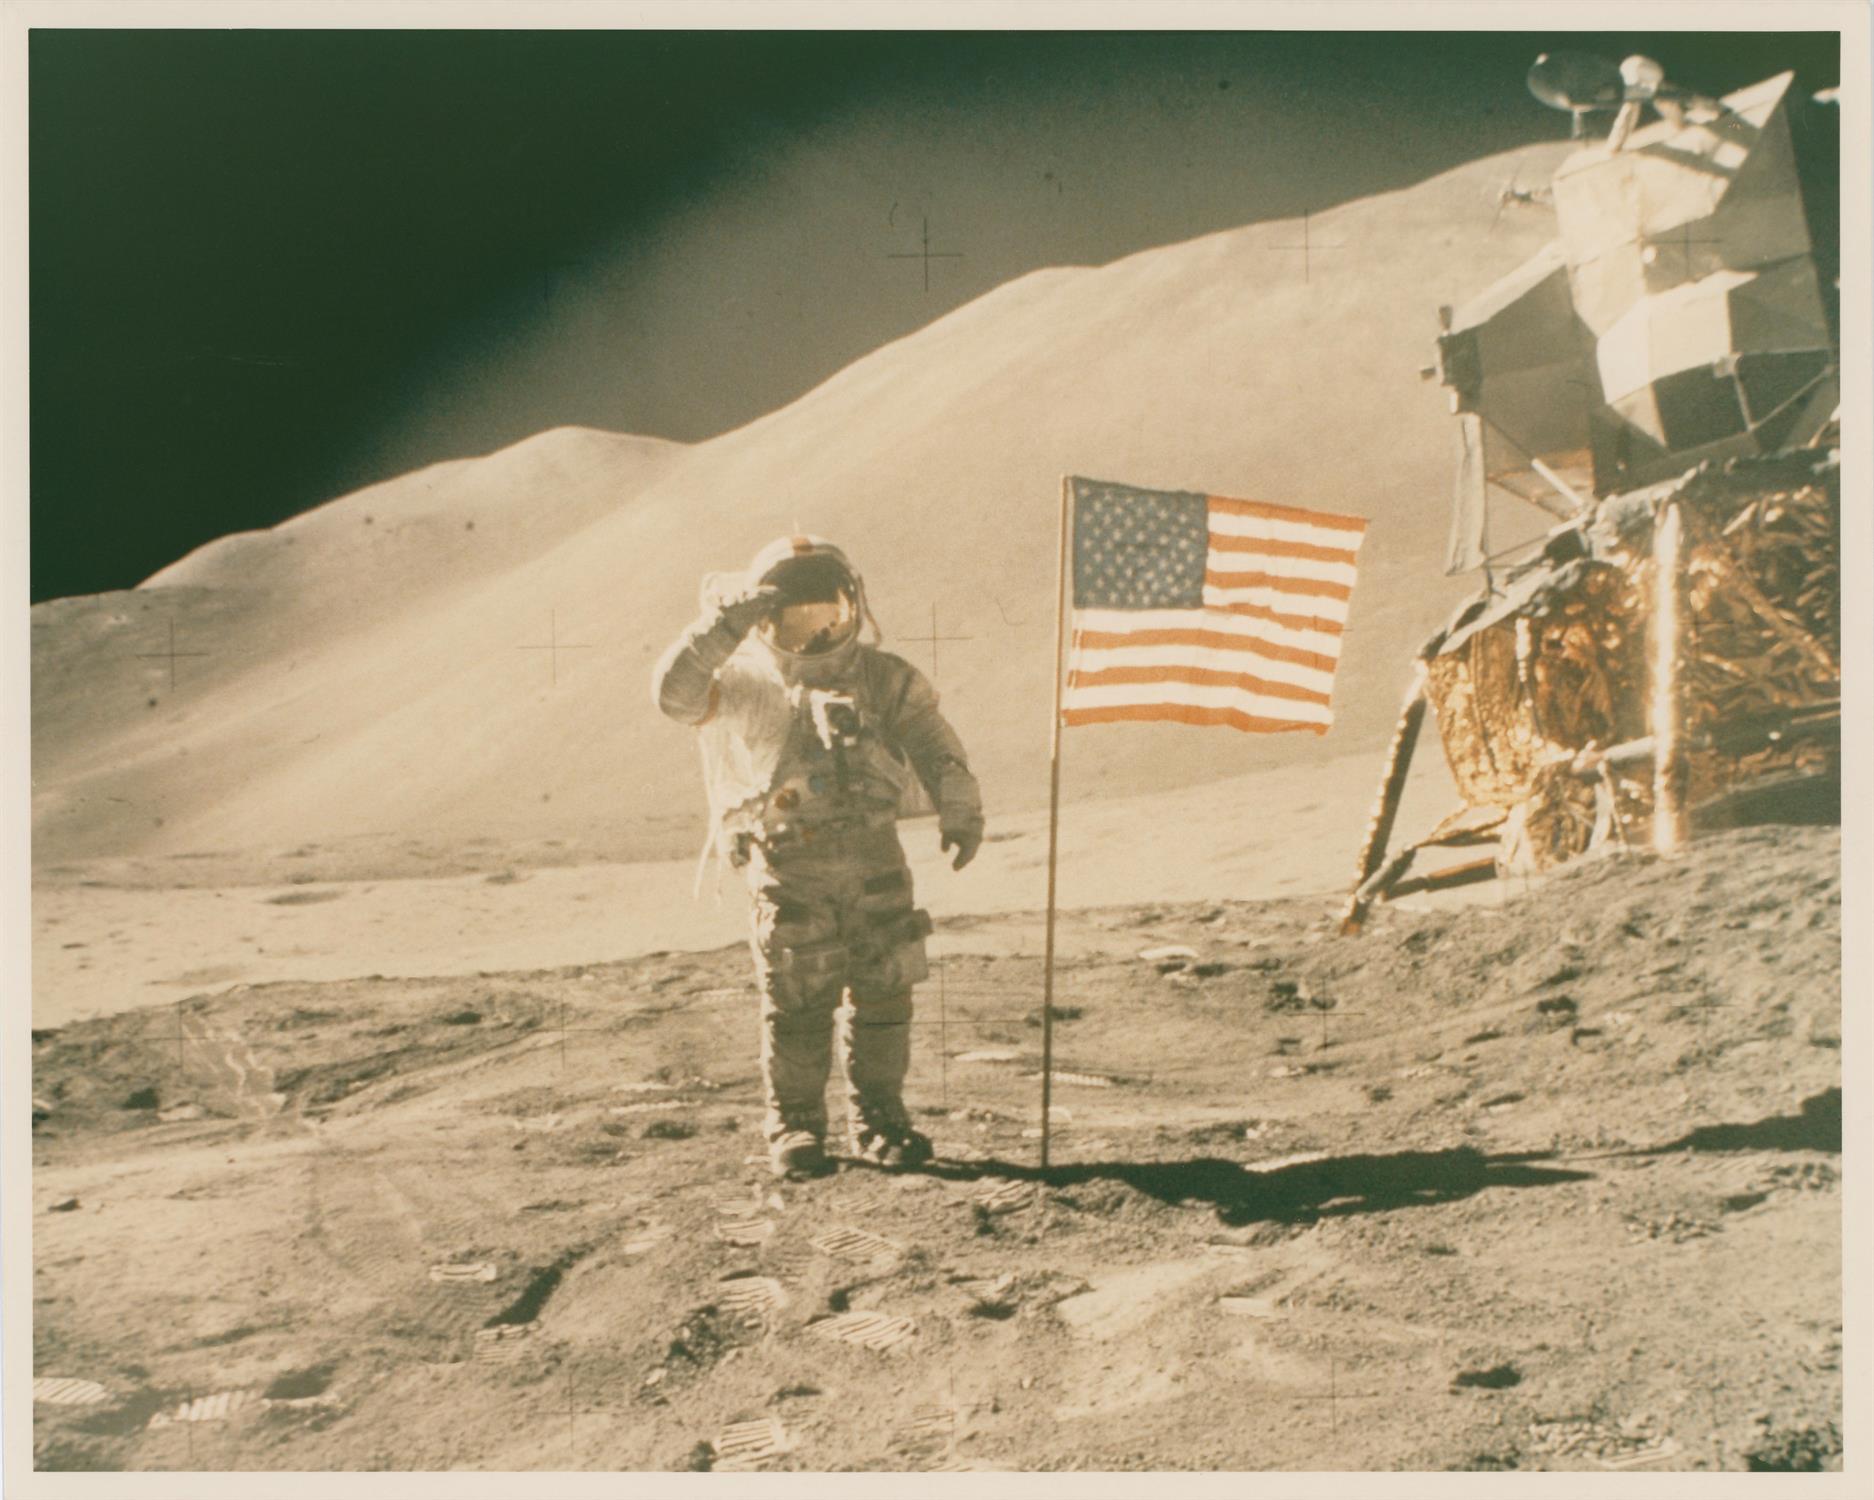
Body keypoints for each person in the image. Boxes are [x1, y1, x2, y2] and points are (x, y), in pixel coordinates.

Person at [651, 536, 985, 1178]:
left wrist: (960, 801)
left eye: (825, 618)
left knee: (886, 1000)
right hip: (791, 869)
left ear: (852, 607)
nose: (813, 636)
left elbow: (930, 737)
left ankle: (882, 1121)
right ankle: (796, 1128)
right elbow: (676, 698)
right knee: (799, 1004)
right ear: (763, 624)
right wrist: (723, 629)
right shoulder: (751, 686)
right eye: (793, 622)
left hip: (874, 860)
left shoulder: (885, 679)